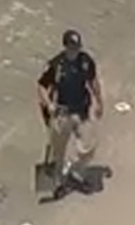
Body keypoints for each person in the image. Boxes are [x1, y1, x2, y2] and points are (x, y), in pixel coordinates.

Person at [37, 30, 104, 193]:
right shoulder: (56, 65)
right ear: (66, 47)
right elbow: (41, 86)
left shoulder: (85, 61)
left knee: (88, 146)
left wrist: (99, 101)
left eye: (77, 47)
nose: (75, 50)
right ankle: (59, 181)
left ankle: (75, 171)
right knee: (58, 149)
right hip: (62, 112)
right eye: (72, 47)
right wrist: (49, 106)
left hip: (82, 110)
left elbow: (93, 80)